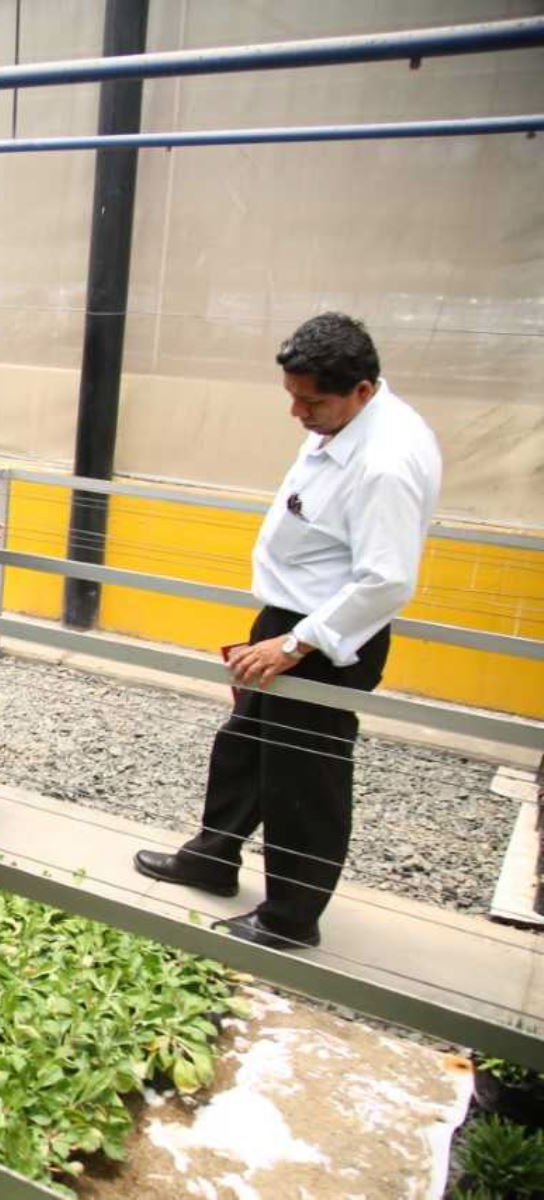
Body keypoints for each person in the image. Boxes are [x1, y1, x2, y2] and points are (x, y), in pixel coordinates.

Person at [133, 313, 442, 951]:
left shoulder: (386, 461)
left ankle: (291, 918)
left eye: (312, 401)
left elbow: (386, 581)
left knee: (305, 778)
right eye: (293, 397)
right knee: (245, 745)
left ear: (362, 389)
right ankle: (214, 858)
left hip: (325, 640)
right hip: (288, 620)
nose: (298, 412)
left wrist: (294, 643)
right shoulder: (343, 420)